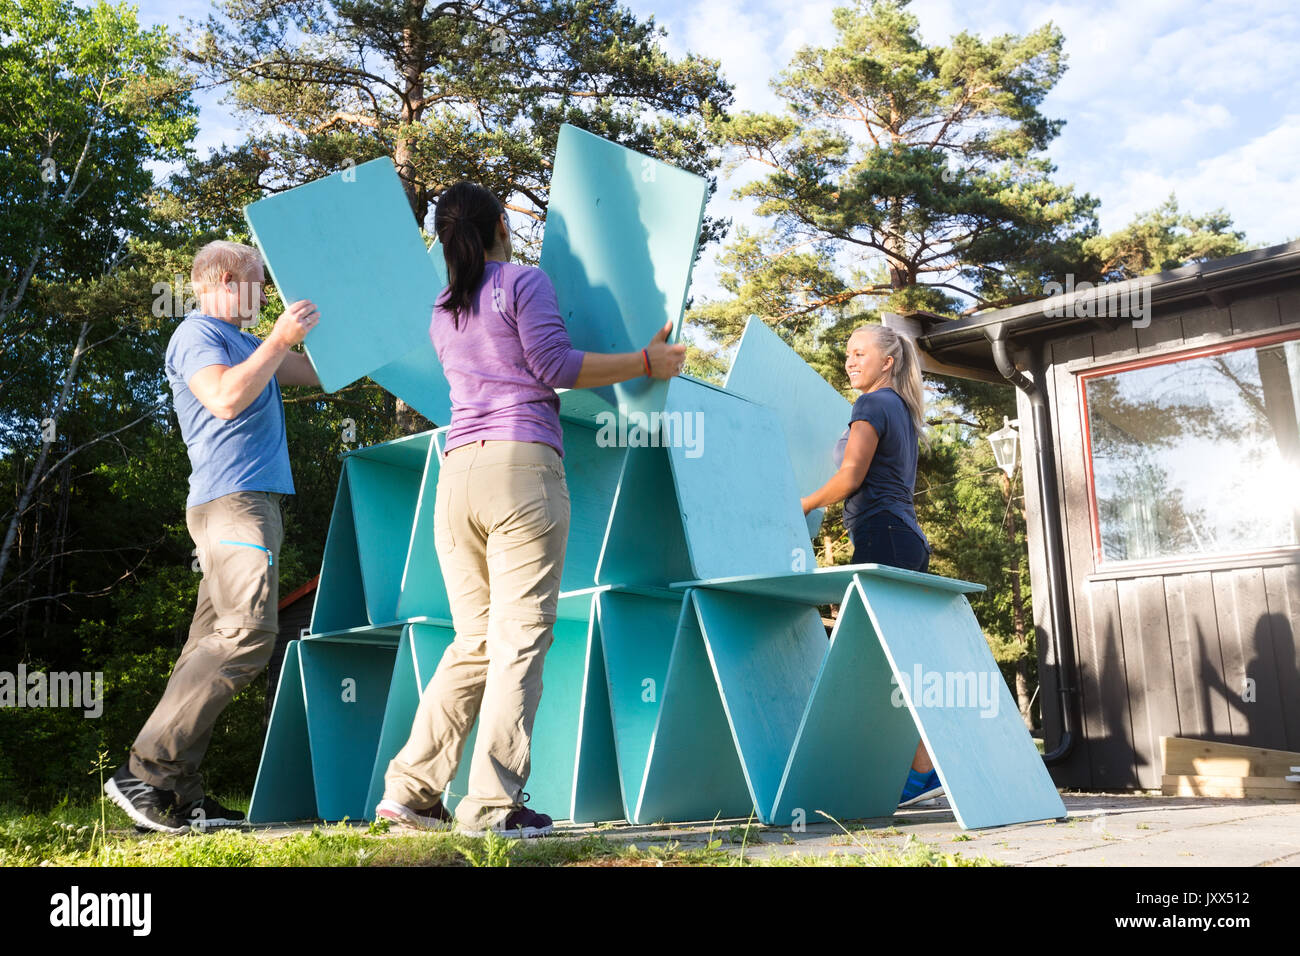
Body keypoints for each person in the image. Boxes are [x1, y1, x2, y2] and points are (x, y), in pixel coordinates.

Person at [375, 182, 685, 838]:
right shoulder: (522, 282)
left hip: (456, 476)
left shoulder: (441, 305)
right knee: (519, 641)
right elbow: (553, 366)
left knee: (475, 641)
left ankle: (409, 791)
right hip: (520, 470)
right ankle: (491, 808)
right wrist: (645, 361)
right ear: (499, 229)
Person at [104, 240, 321, 833]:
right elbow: (225, 399)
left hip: (249, 507)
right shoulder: (197, 334)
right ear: (225, 280)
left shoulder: (251, 342)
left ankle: (180, 795)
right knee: (248, 634)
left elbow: (323, 372)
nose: (264, 296)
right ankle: (143, 773)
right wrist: (279, 339)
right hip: (233, 506)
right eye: (257, 283)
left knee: (205, 647)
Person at [799, 323, 943, 808]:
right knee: (895, 663)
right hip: (902, 539)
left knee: (878, 664)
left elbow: (850, 477)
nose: (849, 360)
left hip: (884, 537)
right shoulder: (900, 409)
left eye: (860, 352)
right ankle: (922, 769)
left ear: (888, 361)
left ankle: (920, 771)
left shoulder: (872, 405)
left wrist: (797, 506)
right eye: (846, 353)